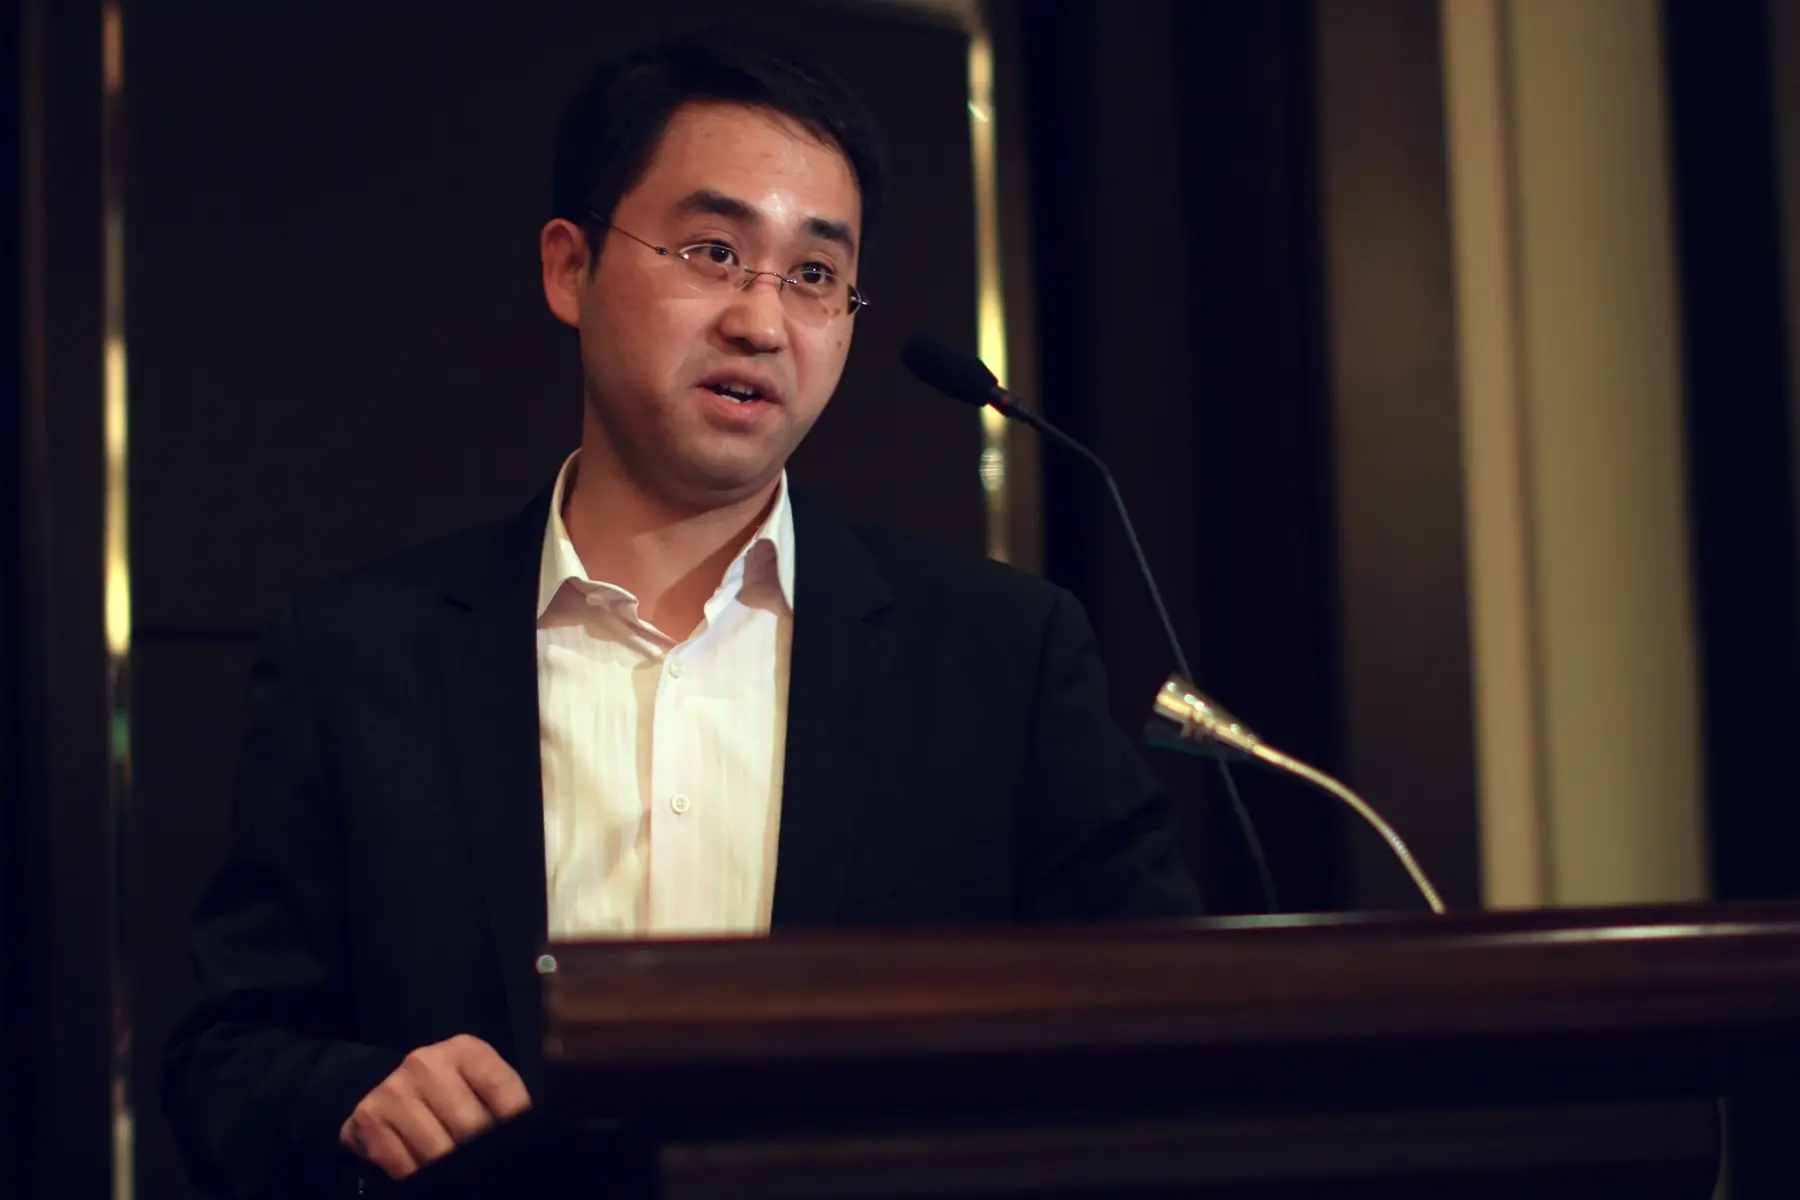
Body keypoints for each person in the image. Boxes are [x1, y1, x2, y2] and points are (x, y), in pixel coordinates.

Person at [163, 27, 1201, 1200]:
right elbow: (224, 1061)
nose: (763, 321)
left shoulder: (1000, 660)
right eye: (714, 252)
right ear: (570, 269)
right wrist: (352, 1098)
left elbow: (1155, 1033)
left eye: (815, 275)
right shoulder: (359, 656)